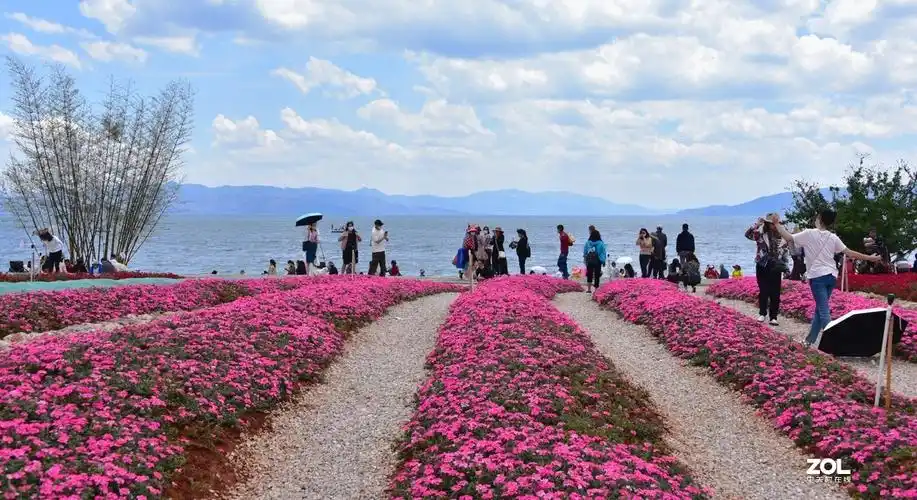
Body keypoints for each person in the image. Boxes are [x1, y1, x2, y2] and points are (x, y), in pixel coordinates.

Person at [773, 209, 882, 347]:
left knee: (824, 312)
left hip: (817, 277)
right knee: (820, 309)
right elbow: (849, 253)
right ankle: (809, 341)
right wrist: (870, 258)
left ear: (819, 219)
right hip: (831, 277)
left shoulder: (809, 233)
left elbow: (788, 237)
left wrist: (777, 224)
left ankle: (837, 344)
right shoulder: (833, 237)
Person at [745, 213, 788, 325]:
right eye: (771, 223)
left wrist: (786, 266)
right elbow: (747, 234)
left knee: (775, 293)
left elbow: (786, 250)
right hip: (762, 264)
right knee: (763, 290)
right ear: (767, 224)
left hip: (776, 266)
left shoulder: (782, 235)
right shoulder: (760, 234)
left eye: (775, 223)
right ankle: (762, 313)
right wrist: (757, 224)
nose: (773, 226)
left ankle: (773, 317)